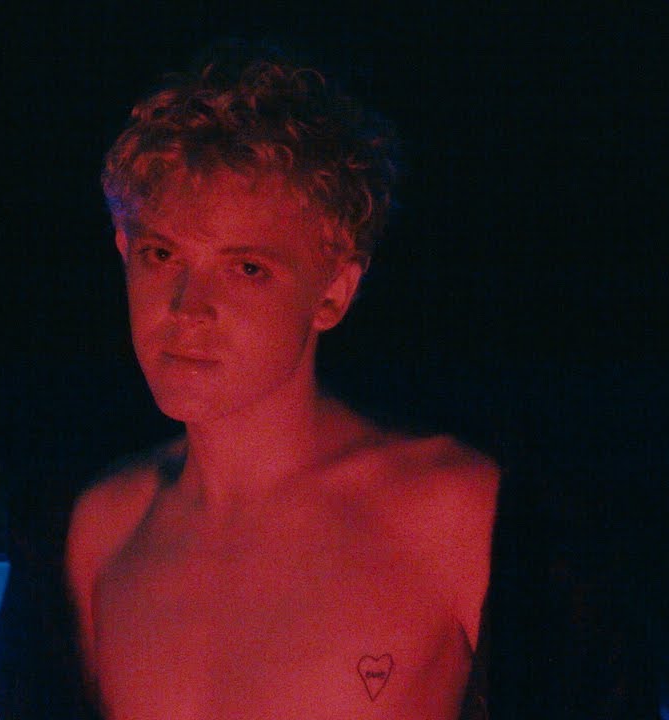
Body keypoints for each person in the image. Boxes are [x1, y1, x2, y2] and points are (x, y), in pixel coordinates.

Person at [63, 45, 500, 720]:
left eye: (247, 269)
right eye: (161, 254)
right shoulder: (103, 532)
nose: (187, 307)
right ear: (124, 252)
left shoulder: (449, 514)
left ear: (333, 293)